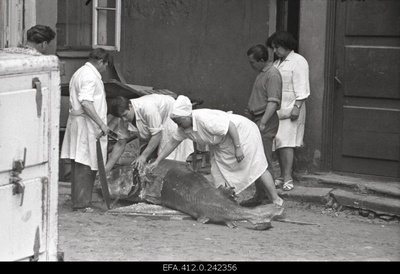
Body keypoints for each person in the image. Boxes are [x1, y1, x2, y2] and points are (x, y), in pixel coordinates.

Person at [147, 95, 284, 207]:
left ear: (188, 116)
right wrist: (158, 161)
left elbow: (230, 126)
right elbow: (172, 143)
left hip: (241, 133)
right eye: (176, 122)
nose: (178, 124)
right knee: (217, 171)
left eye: (179, 120)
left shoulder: (205, 119)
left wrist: (238, 148)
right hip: (222, 142)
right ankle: (227, 203)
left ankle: (276, 200)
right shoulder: (183, 128)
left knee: (256, 166)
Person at [60, 48, 114, 212]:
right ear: (100, 62)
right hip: (86, 124)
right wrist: (102, 124)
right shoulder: (90, 76)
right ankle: (82, 203)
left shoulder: (80, 72)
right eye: (105, 66)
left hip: (81, 122)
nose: (105, 69)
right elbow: (86, 102)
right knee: (85, 161)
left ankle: (79, 199)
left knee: (81, 160)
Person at [266, 30, 310, 191]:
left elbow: (302, 86)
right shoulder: (277, 63)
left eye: (277, 47)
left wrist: (297, 107)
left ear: (286, 45)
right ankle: (280, 175)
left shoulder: (299, 61)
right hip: (279, 106)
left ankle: (287, 177)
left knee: (286, 142)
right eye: (273, 48)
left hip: (292, 105)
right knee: (277, 141)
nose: (275, 51)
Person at [240, 44, 283, 207]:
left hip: (265, 120)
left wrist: (263, 122)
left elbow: (273, 102)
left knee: (263, 160)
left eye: (253, 62)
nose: (251, 65)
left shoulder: (273, 75)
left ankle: (269, 198)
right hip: (255, 119)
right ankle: (260, 195)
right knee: (256, 159)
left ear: (262, 60)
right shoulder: (261, 73)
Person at [107, 94, 194, 173]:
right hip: (152, 128)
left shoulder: (147, 108)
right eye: (121, 117)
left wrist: (143, 156)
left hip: (168, 115)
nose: (124, 119)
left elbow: (157, 135)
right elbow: (120, 144)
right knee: (144, 161)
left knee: (167, 160)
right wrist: (107, 168)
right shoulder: (123, 119)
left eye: (125, 115)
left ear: (130, 105)